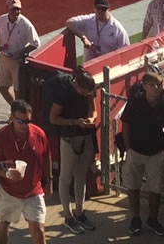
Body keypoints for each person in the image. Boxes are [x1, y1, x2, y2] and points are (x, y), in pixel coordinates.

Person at [119, 68, 164, 237]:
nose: (156, 88)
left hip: (156, 153)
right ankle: (135, 218)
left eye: (159, 84)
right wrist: (128, 148)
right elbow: (126, 125)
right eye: (152, 85)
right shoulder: (135, 103)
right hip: (135, 151)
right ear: (144, 86)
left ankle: (153, 219)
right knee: (133, 187)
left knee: (155, 189)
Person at [0, 100, 52, 244]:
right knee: (3, 224)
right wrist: (6, 174)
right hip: (7, 191)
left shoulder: (38, 135)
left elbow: (47, 157)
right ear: (11, 118)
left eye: (28, 121)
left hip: (33, 190)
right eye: (20, 121)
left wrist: (49, 181)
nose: (25, 125)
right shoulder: (1, 138)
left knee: (38, 230)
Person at [48, 68, 98, 233]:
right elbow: (53, 118)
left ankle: (79, 211)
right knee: (66, 177)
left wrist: (91, 118)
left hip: (85, 137)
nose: (86, 95)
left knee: (81, 176)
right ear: (77, 85)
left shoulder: (89, 91)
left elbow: (94, 110)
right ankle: (68, 216)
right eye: (84, 93)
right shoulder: (64, 92)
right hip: (69, 139)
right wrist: (74, 122)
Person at [0, 0, 39, 104]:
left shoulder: (25, 24)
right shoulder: (1, 20)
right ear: (7, 8)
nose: (16, 12)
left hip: (18, 61)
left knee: (18, 91)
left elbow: (35, 43)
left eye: (18, 9)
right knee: (2, 87)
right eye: (13, 9)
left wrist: (20, 53)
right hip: (4, 58)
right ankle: (15, 109)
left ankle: (16, 114)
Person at [64, 0, 129, 62]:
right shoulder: (88, 20)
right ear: (94, 8)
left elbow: (125, 50)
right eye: (98, 9)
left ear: (109, 9)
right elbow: (69, 22)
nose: (100, 12)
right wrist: (83, 38)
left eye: (103, 9)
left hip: (108, 65)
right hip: (89, 64)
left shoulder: (117, 28)